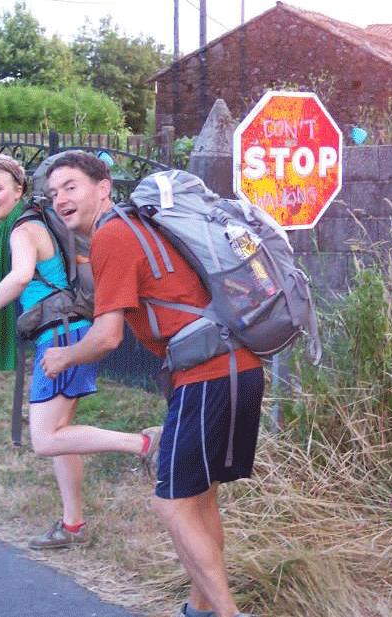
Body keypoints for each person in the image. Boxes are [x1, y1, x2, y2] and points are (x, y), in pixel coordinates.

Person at [39, 151, 263, 617]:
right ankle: (199, 609)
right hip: (236, 367)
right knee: (199, 499)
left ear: (103, 188)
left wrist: (64, 356)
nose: (60, 199)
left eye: (71, 187)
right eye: (53, 192)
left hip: (208, 375)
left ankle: (226, 614)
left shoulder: (112, 235)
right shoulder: (136, 226)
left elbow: (106, 337)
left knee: (172, 504)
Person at [0, 153, 161, 550]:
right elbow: (18, 266)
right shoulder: (30, 222)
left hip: (60, 334)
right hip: (70, 327)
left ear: (18, 190)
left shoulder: (23, 228)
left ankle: (146, 444)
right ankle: (73, 525)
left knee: (45, 439)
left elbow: (19, 277)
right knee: (62, 437)